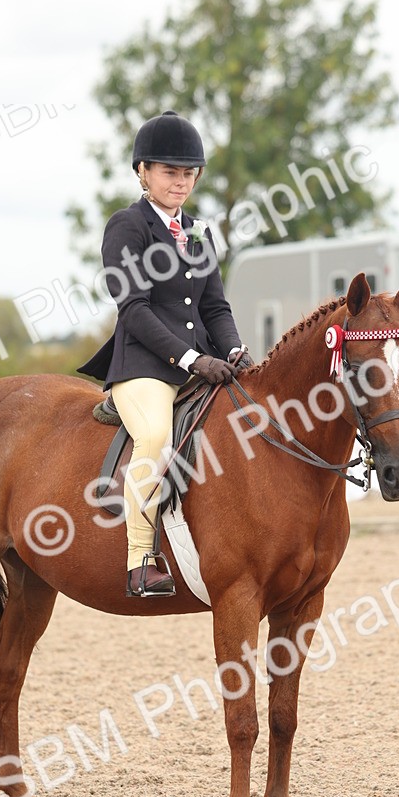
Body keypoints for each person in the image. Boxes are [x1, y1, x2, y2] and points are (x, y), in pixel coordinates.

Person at [78, 109, 253, 598]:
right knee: (155, 436)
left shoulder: (198, 232)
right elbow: (133, 309)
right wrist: (192, 360)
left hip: (204, 361)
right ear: (143, 171)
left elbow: (214, 306)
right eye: (170, 172)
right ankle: (140, 560)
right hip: (145, 367)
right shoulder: (127, 226)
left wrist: (233, 348)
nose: (181, 182)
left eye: (189, 173)